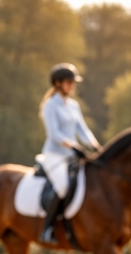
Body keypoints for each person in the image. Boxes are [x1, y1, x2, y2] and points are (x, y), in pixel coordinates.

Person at [38, 63, 100, 244]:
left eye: (73, 82)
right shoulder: (50, 105)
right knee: (63, 186)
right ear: (57, 83)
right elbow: (54, 133)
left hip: (71, 156)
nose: (72, 86)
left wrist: (96, 147)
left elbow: (83, 130)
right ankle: (47, 229)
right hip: (54, 155)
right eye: (69, 82)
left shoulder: (73, 105)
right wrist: (73, 146)